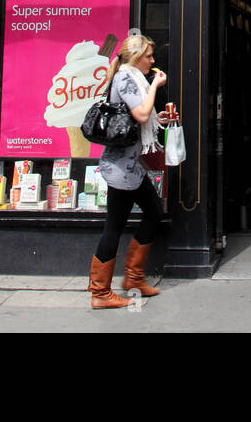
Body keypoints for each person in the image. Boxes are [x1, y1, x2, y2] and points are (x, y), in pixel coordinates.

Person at [87, 33, 177, 309]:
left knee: (153, 211)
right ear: (136, 58)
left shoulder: (132, 78)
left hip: (130, 166)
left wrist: (158, 118)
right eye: (149, 56)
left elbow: (140, 117)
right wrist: (156, 86)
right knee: (114, 227)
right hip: (120, 168)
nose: (153, 60)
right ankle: (101, 293)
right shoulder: (127, 78)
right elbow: (139, 114)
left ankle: (134, 278)